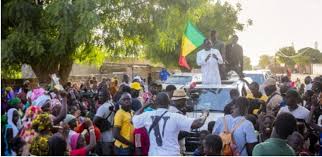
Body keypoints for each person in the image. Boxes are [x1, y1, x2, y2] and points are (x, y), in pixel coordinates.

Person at [132, 92, 209, 156]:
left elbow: (134, 118)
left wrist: (145, 105)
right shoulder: (175, 116)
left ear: (156, 102)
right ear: (169, 102)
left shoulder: (147, 115)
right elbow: (198, 123)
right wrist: (205, 114)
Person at [93, 88, 114, 155]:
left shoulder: (103, 107)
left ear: (107, 96)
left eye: (101, 95)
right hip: (112, 135)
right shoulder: (111, 104)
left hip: (104, 137)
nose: (99, 97)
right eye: (99, 95)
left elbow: (94, 121)